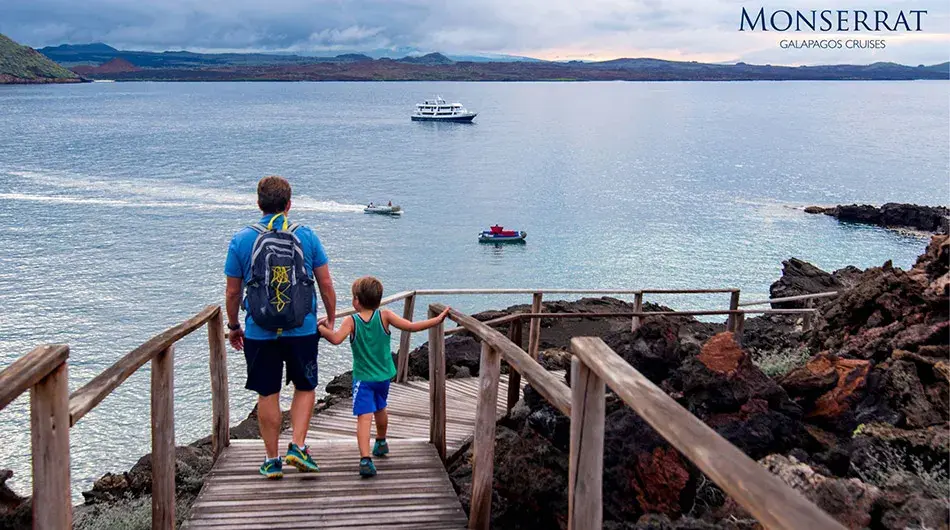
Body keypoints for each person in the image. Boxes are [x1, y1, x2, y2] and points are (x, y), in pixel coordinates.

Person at [225, 175, 336, 479]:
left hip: (259, 330)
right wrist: (331, 316)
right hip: (302, 328)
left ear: (258, 203)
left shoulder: (241, 240)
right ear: (289, 204)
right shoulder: (307, 236)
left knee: (267, 392)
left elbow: (233, 292)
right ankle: (297, 446)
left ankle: (272, 459)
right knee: (305, 386)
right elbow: (325, 283)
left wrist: (234, 326)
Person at [318, 276, 450, 477]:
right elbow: (412, 327)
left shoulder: (351, 321)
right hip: (383, 377)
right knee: (380, 408)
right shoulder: (385, 316)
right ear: (378, 300)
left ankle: (365, 459)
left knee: (364, 417)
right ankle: (381, 441)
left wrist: (321, 329)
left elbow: (336, 339)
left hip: (364, 379)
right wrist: (437, 320)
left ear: (356, 300)